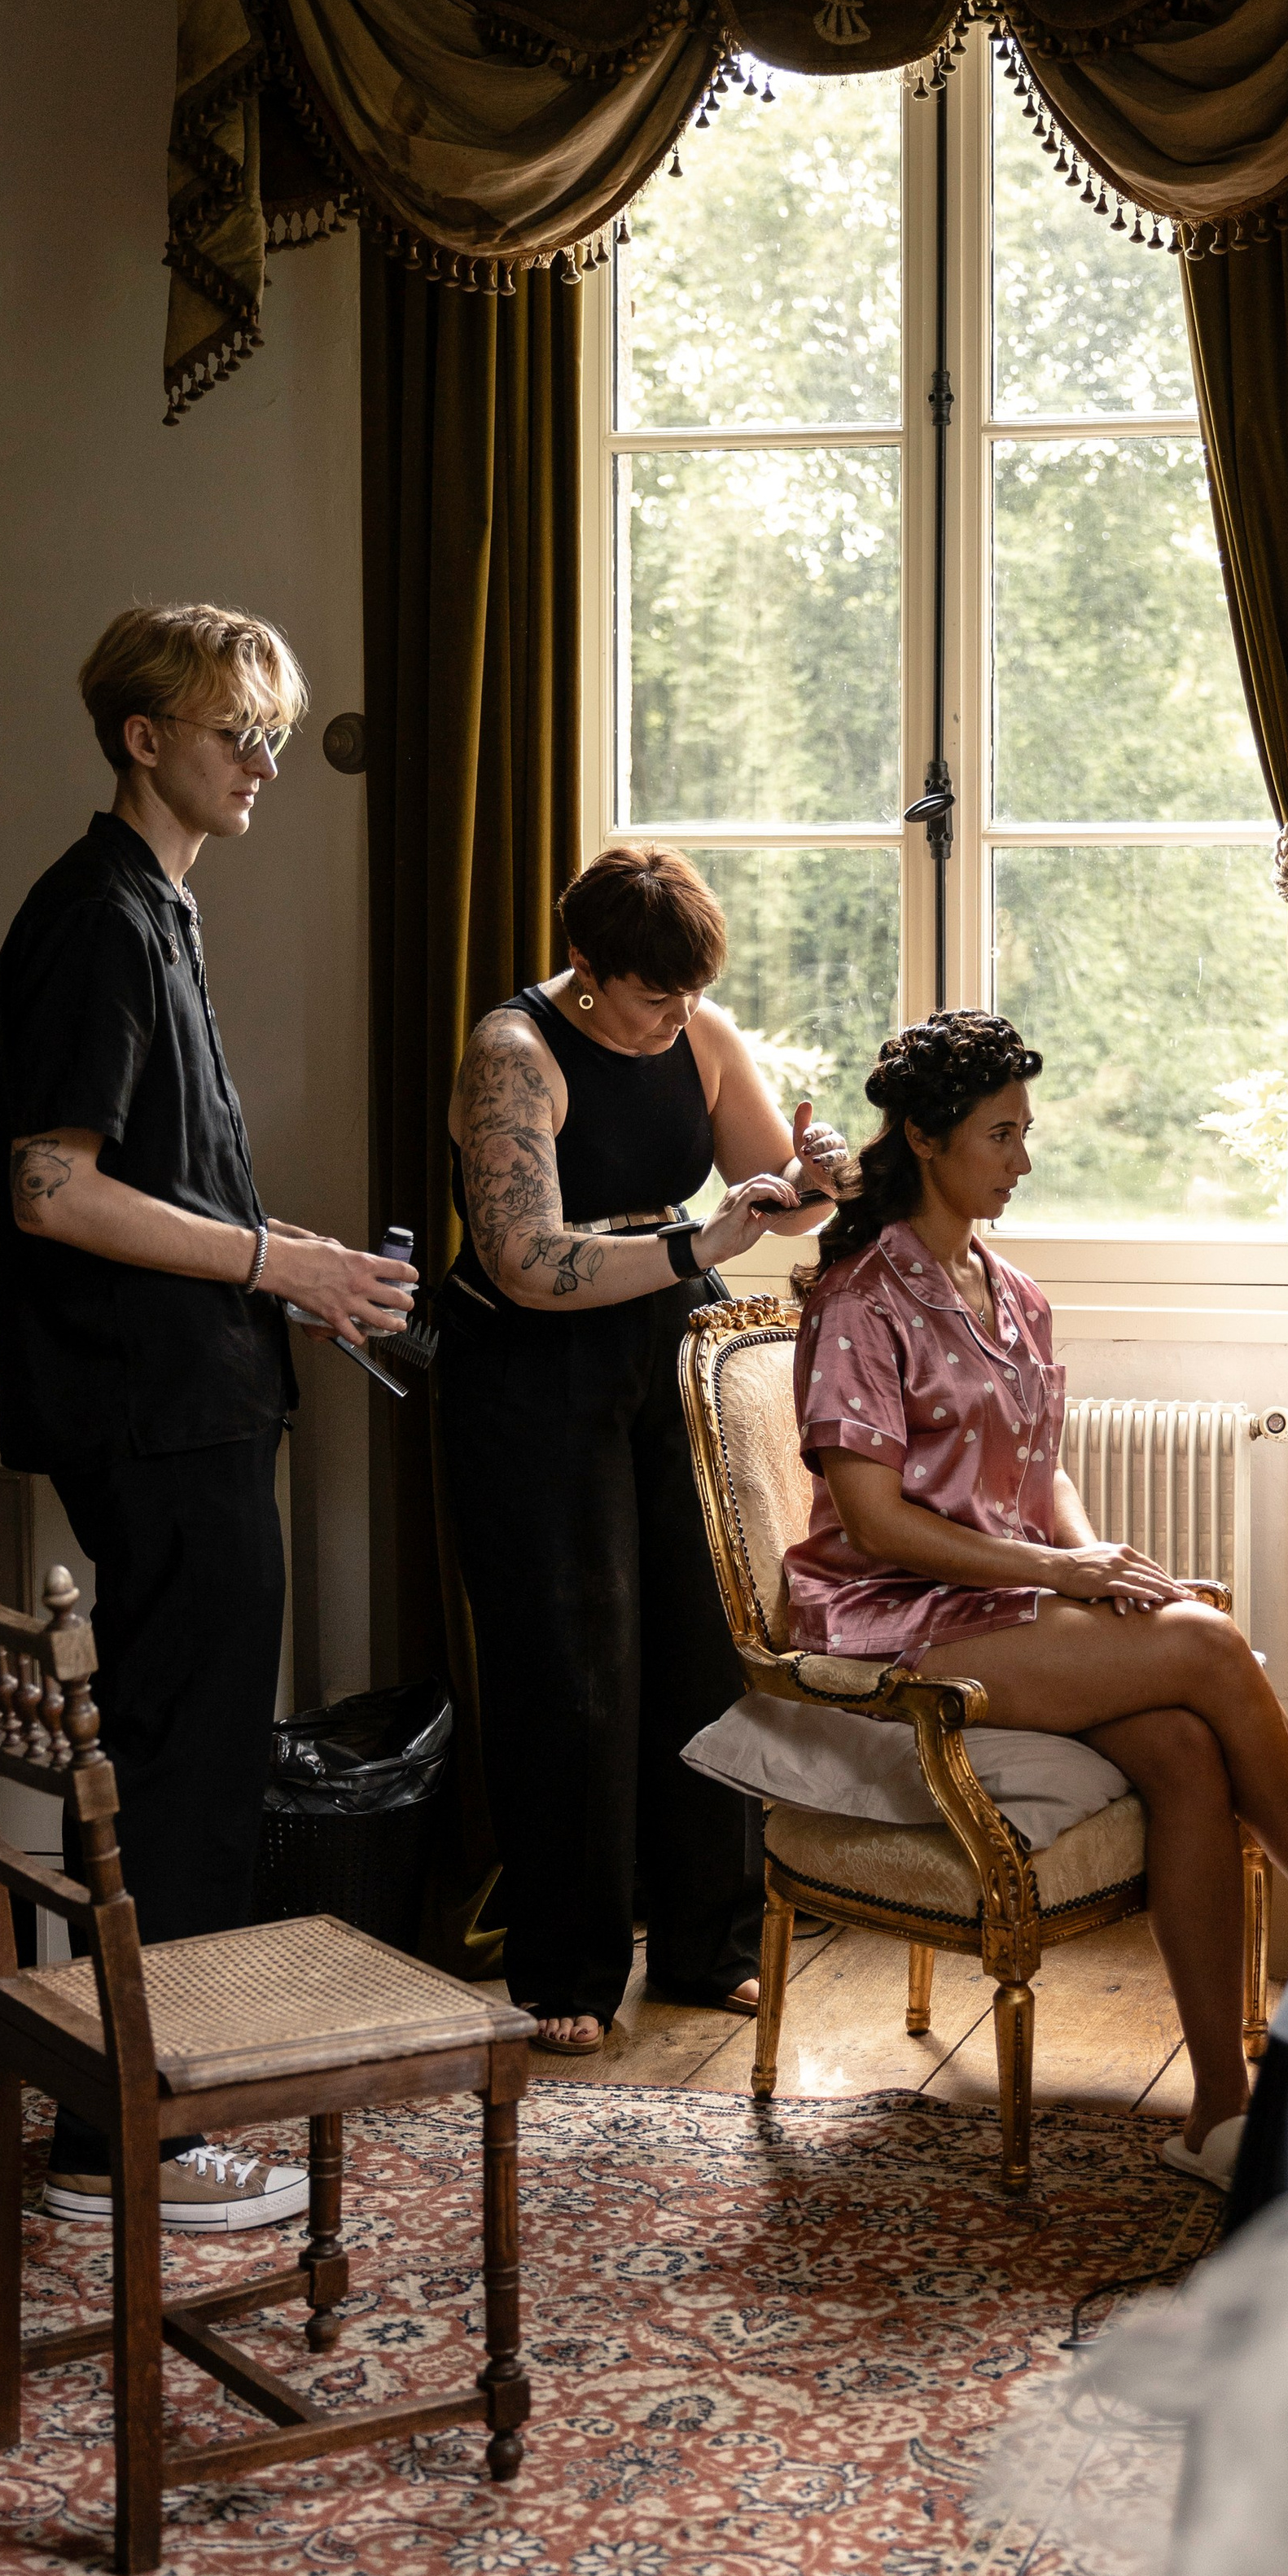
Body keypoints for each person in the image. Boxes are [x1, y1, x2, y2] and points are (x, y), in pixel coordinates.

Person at [0, 602, 416, 2230]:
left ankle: (135, 2123)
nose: (260, 762)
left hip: (196, 1403)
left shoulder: (153, 913)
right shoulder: (96, 919)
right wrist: (282, 1260)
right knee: (188, 1774)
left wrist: (292, 1282)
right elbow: (52, 1190)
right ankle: (128, 2148)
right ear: (140, 736)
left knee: (191, 1759)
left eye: (273, 736)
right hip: (158, 1421)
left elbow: (153, 1192)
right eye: (232, 730)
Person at [784, 1010, 1288, 2186]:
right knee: (1211, 1646)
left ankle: (1220, 2117)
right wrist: (1065, 1574)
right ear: (926, 1141)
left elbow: (1045, 1467)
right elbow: (876, 1523)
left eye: (1026, 1133)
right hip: (891, 1624)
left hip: (1002, 1609)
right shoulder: (859, 1297)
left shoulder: (1012, 1290)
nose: (1022, 1161)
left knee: (1189, 1746)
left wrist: (1108, 1565)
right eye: (1000, 1135)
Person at [440, 843, 843, 2055]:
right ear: (585, 967)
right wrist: (697, 1249)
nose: (678, 1020)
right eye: (654, 999)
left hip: (664, 1349)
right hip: (529, 1365)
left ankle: (704, 1944)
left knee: (699, 1641)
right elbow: (523, 1259)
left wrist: (816, 1182)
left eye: (692, 997)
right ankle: (564, 1966)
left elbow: (771, 1190)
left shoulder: (699, 1033)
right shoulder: (511, 1056)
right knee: (570, 1663)